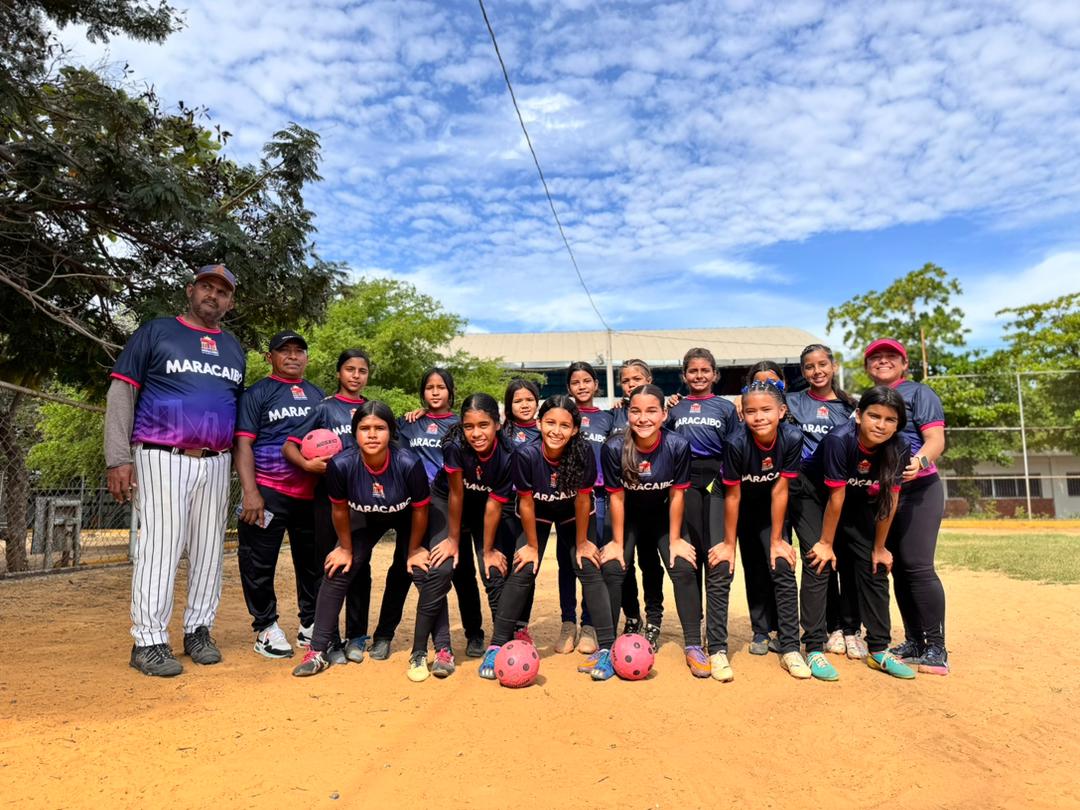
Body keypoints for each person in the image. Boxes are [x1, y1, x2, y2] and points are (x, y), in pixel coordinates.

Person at [106, 264, 245, 677]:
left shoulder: (233, 348)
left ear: (230, 302)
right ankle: (148, 640)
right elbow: (122, 392)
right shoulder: (157, 332)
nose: (213, 294)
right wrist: (118, 457)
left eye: (223, 291)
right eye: (206, 286)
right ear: (190, 290)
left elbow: (233, 407)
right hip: (162, 453)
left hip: (216, 460)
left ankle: (198, 630)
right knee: (161, 548)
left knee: (208, 550)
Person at [479, 396, 617, 680]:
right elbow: (526, 503)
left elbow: (583, 500)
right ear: (540, 423)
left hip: (573, 514)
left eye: (565, 425)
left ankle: (606, 649)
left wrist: (582, 542)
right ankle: (496, 645)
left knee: (588, 566)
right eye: (550, 423)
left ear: (575, 429)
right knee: (523, 568)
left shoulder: (583, 453)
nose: (556, 430)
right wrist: (531, 546)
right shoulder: (526, 455)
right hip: (537, 514)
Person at [292, 402, 431, 677]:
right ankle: (318, 650)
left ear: (391, 432)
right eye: (365, 428)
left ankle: (389, 637)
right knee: (338, 568)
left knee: (413, 569)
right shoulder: (342, 464)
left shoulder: (408, 462)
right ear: (354, 433)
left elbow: (420, 510)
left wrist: (415, 548)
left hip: (405, 515)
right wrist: (345, 548)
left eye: (380, 428)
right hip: (365, 515)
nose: (372, 434)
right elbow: (339, 509)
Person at [796, 385, 917, 680]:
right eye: (874, 416)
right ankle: (814, 648)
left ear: (898, 424)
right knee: (818, 561)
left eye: (890, 419)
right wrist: (826, 543)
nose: (881, 425)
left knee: (874, 565)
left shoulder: (899, 446)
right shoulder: (840, 439)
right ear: (859, 415)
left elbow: (890, 499)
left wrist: (879, 547)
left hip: (854, 497)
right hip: (813, 495)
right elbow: (834, 498)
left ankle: (878, 649)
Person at [603, 385, 706, 677]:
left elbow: (677, 494)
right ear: (627, 414)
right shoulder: (614, 447)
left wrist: (675, 539)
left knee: (682, 565)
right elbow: (616, 498)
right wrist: (616, 542)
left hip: (662, 514)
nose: (643, 418)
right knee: (613, 566)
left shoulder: (677, 445)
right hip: (628, 515)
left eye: (651, 411)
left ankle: (693, 644)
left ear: (664, 414)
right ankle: (606, 647)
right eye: (636, 411)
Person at [234, 330, 324, 660]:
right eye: (284, 350)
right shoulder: (257, 393)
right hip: (268, 492)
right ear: (269, 357)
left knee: (313, 565)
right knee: (258, 563)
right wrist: (250, 492)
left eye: (299, 350)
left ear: (307, 357)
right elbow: (242, 443)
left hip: (311, 496)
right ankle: (266, 627)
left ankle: (310, 623)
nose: (292, 356)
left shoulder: (318, 395)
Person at [864, 338, 949, 675]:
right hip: (886, 493)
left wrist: (920, 460)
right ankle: (915, 641)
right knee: (897, 567)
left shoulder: (918, 393)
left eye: (891, 356)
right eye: (876, 357)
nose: (883, 361)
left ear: (904, 364)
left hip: (918, 489)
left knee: (918, 565)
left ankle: (936, 648)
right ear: (867, 366)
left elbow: (936, 439)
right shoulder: (869, 399)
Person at [283, 349, 371, 663]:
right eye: (350, 369)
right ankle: (329, 638)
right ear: (338, 373)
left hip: (364, 499)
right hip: (327, 497)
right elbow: (290, 444)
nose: (356, 375)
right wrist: (307, 465)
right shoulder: (324, 408)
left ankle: (357, 636)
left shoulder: (371, 409)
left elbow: (392, 443)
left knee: (360, 566)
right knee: (328, 564)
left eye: (362, 370)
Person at [721, 381, 810, 680]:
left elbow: (781, 489)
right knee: (754, 569)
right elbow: (732, 496)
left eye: (766, 410)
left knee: (781, 564)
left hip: (773, 509)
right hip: (742, 508)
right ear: (742, 414)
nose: (759, 417)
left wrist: (777, 539)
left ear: (782, 411)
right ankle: (761, 631)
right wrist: (728, 543)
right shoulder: (736, 442)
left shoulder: (792, 437)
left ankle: (790, 644)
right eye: (751, 411)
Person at [394, 368, 486, 658]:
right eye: (429, 387)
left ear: (451, 392)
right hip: (419, 506)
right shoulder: (410, 423)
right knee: (405, 570)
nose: (435, 392)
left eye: (441, 387)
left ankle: (474, 634)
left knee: (464, 572)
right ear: (422, 392)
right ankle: (385, 634)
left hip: (455, 504)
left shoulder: (462, 424)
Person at [785, 344, 865, 659]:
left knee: (847, 557)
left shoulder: (851, 407)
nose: (816, 371)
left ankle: (851, 628)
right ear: (802, 371)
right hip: (805, 489)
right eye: (809, 366)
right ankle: (827, 629)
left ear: (834, 367)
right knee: (819, 555)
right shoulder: (792, 401)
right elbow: (756, 403)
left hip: (843, 489)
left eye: (822, 364)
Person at [664, 349, 739, 641]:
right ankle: (694, 623)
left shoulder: (725, 407)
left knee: (716, 552)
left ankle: (715, 625)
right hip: (686, 479)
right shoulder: (675, 408)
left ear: (715, 374)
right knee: (692, 552)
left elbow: (735, 446)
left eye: (705, 370)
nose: (699, 376)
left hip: (717, 478)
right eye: (693, 371)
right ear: (684, 375)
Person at [436, 394, 522, 643]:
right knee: (460, 569)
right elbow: (456, 494)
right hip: (450, 502)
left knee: (492, 571)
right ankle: (474, 634)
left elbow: (495, 504)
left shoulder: (508, 453)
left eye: (483, 425)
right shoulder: (454, 445)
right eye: (469, 426)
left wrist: (488, 550)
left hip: (485, 507)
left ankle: (503, 640)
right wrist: (452, 539)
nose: (476, 433)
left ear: (497, 424)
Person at [608, 359, 665, 647]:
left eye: (637, 379)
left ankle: (654, 619)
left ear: (649, 380)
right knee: (623, 563)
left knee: (651, 564)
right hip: (625, 505)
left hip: (656, 504)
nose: (631, 384)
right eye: (626, 380)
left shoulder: (662, 409)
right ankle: (631, 616)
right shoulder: (614, 414)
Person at [558, 361, 613, 655]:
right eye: (576, 382)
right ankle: (568, 623)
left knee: (591, 559)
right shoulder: (563, 417)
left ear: (596, 384)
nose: (581, 386)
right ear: (569, 387)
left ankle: (589, 624)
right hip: (565, 498)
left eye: (586, 380)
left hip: (597, 497)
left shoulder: (607, 418)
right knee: (566, 561)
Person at [502, 378, 541, 446]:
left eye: (529, 400)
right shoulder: (502, 434)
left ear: (537, 404)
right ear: (509, 405)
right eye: (518, 401)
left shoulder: (545, 429)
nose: (525, 405)